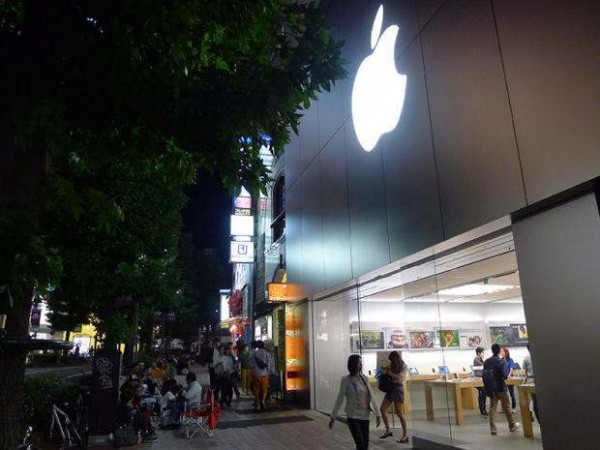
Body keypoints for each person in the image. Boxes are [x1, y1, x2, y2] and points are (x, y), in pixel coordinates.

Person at [329, 354, 381, 450]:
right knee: (360, 443)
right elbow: (340, 398)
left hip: (365, 415)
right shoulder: (346, 380)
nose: (360, 365)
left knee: (365, 446)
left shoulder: (365, 379)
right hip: (353, 416)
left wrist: (378, 414)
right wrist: (333, 416)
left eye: (361, 363)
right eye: (358, 363)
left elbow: (371, 396)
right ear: (353, 365)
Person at [483, 343, 520, 435]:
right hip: (501, 387)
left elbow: (484, 375)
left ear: (492, 350)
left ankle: (493, 428)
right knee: (507, 406)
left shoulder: (487, 362)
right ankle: (511, 425)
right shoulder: (501, 361)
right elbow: (505, 375)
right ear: (499, 351)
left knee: (492, 408)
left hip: (491, 389)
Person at [378, 351, 409, 444]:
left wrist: (390, 373)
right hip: (391, 388)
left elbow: (400, 378)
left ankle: (405, 435)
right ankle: (388, 430)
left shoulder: (403, 366)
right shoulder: (390, 365)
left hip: (398, 389)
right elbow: (382, 372)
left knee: (400, 413)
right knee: (382, 409)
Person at [251, 340, 272, 410]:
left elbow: (252, 365)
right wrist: (268, 373)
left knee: (257, 389)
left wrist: (253, 373)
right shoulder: (267, 354)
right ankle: (262, 401)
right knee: (264, 389)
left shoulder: (255, 354)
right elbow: (269, 365)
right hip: (264, 374)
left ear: (257, 346)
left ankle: (257, 401)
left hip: (256, 374)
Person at [522, 343, 540, 423]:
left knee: (534, 400)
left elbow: (525, 372)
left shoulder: (526, 358)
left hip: (530, 381)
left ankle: (538, 419)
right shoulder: (540, 356)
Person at [500, 346, 517, 410]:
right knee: (504, 394)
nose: (501, 352)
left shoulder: (510, 359)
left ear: (505, 352)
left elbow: (511, 368)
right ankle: (505, 408)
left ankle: (513, 408)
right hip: (503, 379)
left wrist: (509, 375)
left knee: (511, 393)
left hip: (509, 378)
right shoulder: (501, 360)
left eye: (502, 351)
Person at [473, 346, 488, 416]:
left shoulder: (480, 359)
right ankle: (482, 409)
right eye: (482, 352)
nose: (483, 353)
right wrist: (483, 359)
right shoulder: (476, 359)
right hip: (479, 379)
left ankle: (482, 409)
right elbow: (484, 365)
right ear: (478, 353)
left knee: (482, 394)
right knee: (482, 394)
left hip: (482, 378)